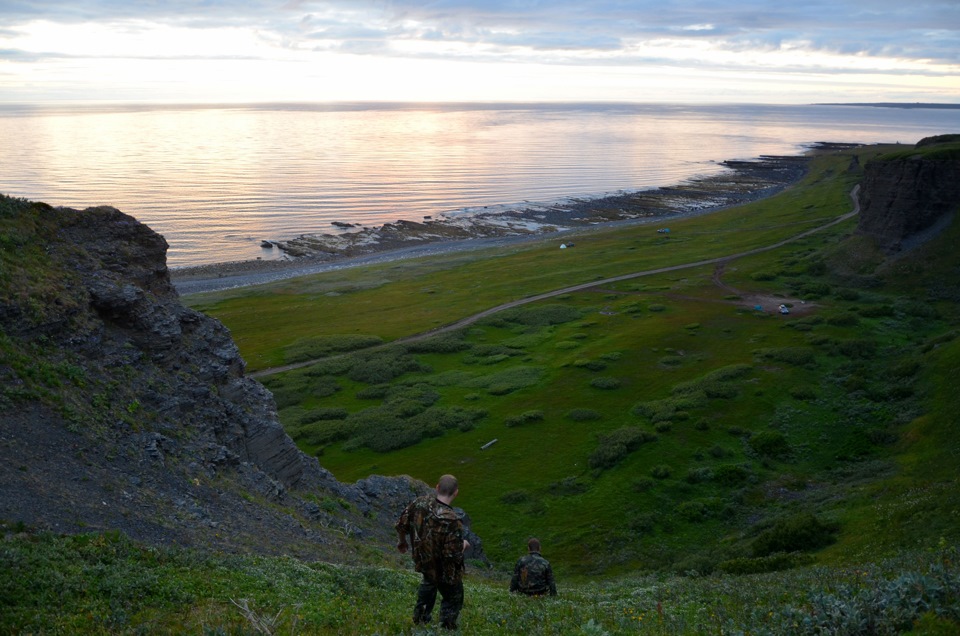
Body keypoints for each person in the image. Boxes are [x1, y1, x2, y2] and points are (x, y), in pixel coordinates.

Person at [395, 474, 470, 630]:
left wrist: (402, 541)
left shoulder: (420, 503)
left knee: (428, 584)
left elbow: (401, 525)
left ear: (437, 487)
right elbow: (452, 555)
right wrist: (463, 545)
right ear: (456, 492)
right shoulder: (452, 520)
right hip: (445, 570)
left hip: (424, 561)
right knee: (454, 598)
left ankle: (420, 621)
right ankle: (446, 627)